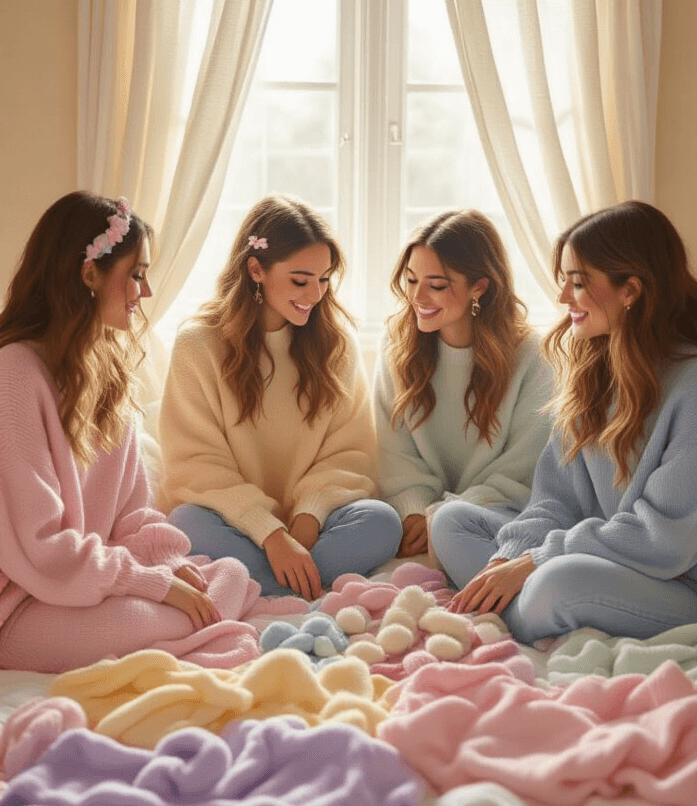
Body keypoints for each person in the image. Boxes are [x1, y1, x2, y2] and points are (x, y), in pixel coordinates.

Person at [432, 201, 697, 641]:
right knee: (452, 520)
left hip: (690, 585)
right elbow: (556, 500)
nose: (562, 298)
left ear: (630, 290)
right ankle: (524, 608)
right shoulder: (593, 370)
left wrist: (536, 562)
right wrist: (510, 558)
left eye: (577, 283)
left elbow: (665, 538)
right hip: (602, 559)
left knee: (554, 587)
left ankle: (526, 610)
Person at [0, 191, 231, 674]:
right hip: (16, 606)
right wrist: (151, 584)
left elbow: (133, 513)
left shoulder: (108, 374)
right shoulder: (14, 375)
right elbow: (41, 548)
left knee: (224, 577)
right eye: (137, 275)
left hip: (81, 583)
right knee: (186, 612)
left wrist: (163, 561)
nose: (144, 294)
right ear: (89, 275)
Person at [158, 195, 402, 599]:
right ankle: (299, 592)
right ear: (256, 269)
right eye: (301, 280)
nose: (316, 294)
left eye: (324, 279)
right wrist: (270, 533)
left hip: (314, 525)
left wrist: (308, 516)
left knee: (381, 521)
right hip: (234, 521)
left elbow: (350, 452)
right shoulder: (197, 345)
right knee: (185, 521)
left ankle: (266, 589)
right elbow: (196, 463)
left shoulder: (337, 344)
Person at [373, 209, 553, 559]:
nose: (418, 297)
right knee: (374, 522)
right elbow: (394, 450)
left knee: (452, 525)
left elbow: (523, 467)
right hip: (420, 518)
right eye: (411, 280)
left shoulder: (531, 355)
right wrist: (414, 509)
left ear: (479, 287)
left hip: (499, 512)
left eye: (437, 285)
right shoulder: (396, 345)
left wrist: (442, 516)